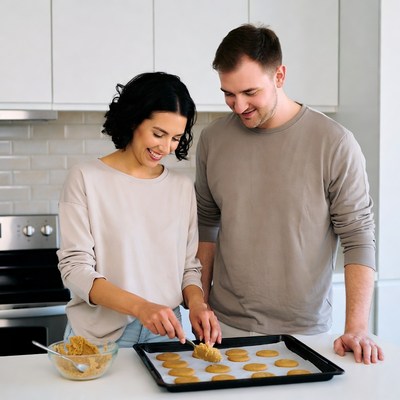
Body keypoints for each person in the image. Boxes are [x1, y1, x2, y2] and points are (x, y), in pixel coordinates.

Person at [195, 24, 384, 364]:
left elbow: (358, 237)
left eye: (250, 92)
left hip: (305, 331)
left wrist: (357, 327)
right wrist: (201, 304)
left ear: (279, 76)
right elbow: (206, 225)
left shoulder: (334, 143)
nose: (238, 106)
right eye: (228, 93)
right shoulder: (212, 140)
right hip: (225, 326)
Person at [57, 72, 221, 348]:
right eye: (158, 134)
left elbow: (188, 268)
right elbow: (75, 269)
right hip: (101, 337)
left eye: (175, 138)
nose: (165, 147)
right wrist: (141, 307)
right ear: (134, 120)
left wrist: (197, 304)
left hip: (167, 331)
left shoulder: (181, 188)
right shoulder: (85, 178)